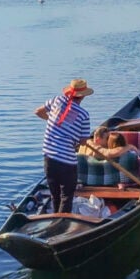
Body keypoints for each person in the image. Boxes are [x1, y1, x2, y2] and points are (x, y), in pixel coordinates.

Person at [34, 78, 93, 213]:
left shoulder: (56, 100)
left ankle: (56, 222)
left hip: (48, 157)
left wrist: (54, 122)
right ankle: (62, 226)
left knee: (55, 195)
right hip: (67, 161)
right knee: (66, 196)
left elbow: (38, 112)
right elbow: (83, 141)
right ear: (83, 96)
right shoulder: (84, 115)